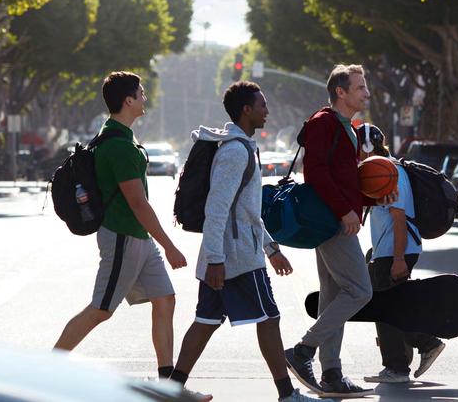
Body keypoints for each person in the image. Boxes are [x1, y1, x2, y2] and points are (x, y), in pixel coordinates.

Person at [168, 81, 327, 402]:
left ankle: (170, 390)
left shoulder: (242, 148)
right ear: (246, 110)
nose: (267, 111)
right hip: (236, 257)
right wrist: (215, 258)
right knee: (269, 318)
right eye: (262, 105)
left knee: (206, 320)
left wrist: (272, 249)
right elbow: (217, 208)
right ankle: (287, 395)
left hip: (233, 253)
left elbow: (248, 213)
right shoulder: (234, 152)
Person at [53, 72, 188, 382]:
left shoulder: (120, 137)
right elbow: (138, 203)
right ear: (128, 100)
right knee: (101, 310)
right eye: (141, 93)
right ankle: (49, 368)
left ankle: (168, 386)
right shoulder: (119, 147)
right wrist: (169, 246)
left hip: (139, 238)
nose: (145, 98)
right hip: (122, 237)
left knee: (165, 299)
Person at [284, 64, 395, 398]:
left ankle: (332, 374)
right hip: (332, 222)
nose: (366, 93)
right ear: (341, 92)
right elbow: (314, 173)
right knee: (360, 291)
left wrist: (369, 199)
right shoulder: (325, 123)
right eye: (360, 87)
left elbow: (342, 180)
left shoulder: (347, 127)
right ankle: (303, 351)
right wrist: (345, 209)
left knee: (333, 295)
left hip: (341, 218)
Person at [355, 123, 446, 384]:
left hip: (397, 251)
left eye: (356, 146)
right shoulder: (377, 170)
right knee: (392, 307)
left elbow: (398, 218)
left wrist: (397, 259)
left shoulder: (388, 171)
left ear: (366, 146)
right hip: (386, 251)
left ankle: (406, 360)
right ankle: (411, 354)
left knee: (385, 309)